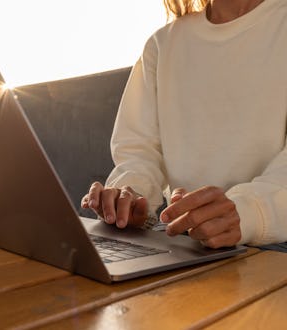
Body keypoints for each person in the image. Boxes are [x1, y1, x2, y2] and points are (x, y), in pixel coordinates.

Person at [81, 0, 287, 249]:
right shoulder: (163, 43)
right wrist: (133, 197)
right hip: (181, 237)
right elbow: (139, 152)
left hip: (274, 244)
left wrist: (247, 214)